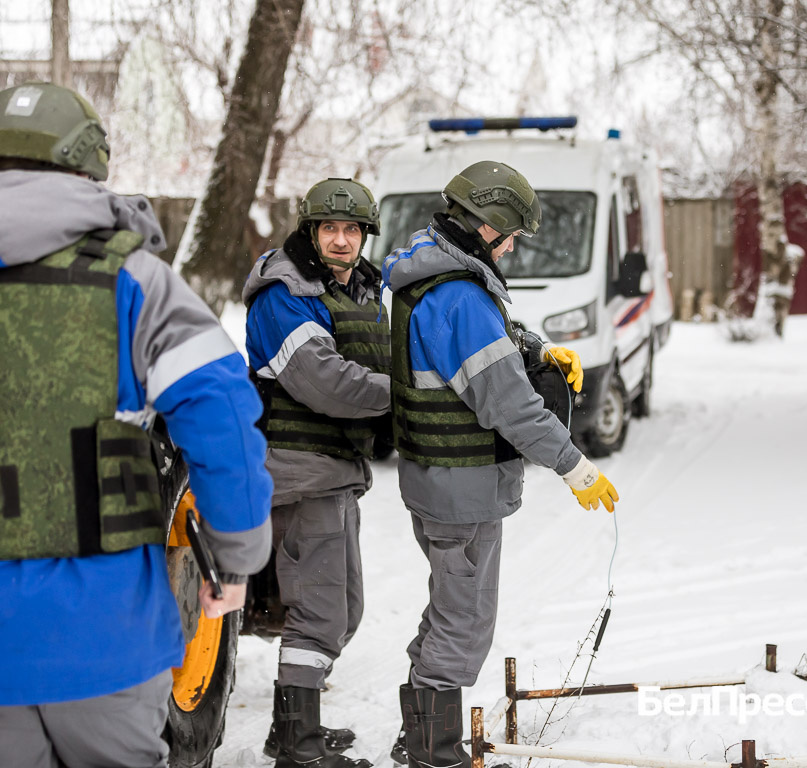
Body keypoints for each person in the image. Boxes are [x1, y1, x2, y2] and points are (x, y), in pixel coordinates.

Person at [0, 83, 273, 768]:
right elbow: (221, 415)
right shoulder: (136, 284)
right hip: (104, 634)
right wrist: (236, 556)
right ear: (87, 166)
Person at [382, 160, 620, 768]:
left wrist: (538, 348)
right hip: (461, 489)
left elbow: (496, 332)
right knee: (464, 622)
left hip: (440, 482)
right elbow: (509, 405)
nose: (513, 245)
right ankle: (434, 754)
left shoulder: (435, 269)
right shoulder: (458, 294)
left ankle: (418, 736)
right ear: (484, 224)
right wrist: (574, 467)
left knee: (449, 608)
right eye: (510, 233)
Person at [243, 178, 390, 768]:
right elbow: (323, 380)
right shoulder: (286, 293)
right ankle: (299, 751)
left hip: (335, 469)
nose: (341, 240)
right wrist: (405, 397)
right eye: (329, 228)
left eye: (352, 230)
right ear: (310, 232)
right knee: (319, 612)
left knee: (342, 609)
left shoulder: (354, 289)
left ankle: (290, 731)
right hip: (299, 470)